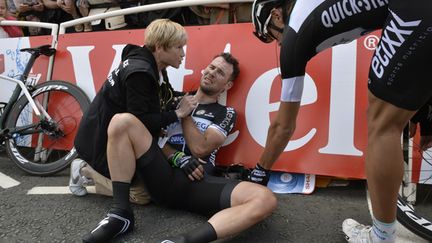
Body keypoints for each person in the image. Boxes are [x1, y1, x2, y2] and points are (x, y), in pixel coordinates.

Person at [74, 18, 276, 242]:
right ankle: (120, 213)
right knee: (122, 121)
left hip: (195, 182)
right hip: (160, 171)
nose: (211, 73)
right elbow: (148, 131)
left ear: (227, 85)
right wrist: (177, 155)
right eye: (211, 67)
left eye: (220, 73)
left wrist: (186, 112)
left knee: (264, 199)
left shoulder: (225, 112)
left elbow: (201, 149)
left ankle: (183, 241)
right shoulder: (172, 97)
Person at [250, 0, 432, 242]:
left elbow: (283, 126)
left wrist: (260, 172)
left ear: (276, 16)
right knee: (393, 114)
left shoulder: (293, 37)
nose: (278, 43)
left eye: (271, 35)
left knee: (383, 125)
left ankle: (381, 237)